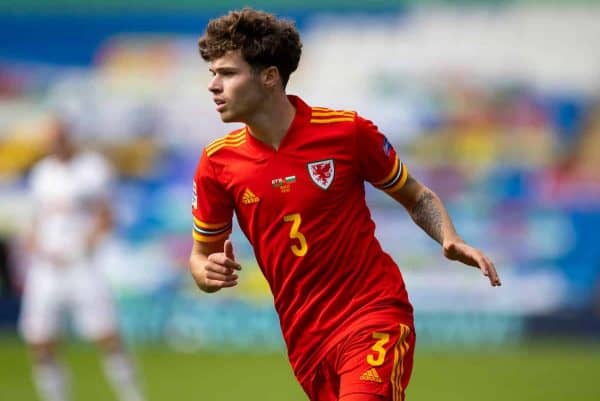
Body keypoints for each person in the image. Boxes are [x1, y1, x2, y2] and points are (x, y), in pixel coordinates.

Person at [189, 8, 501, 401]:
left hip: (374, 314)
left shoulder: (346, 132)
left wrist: (448, 236)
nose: (213, 85)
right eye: (212, 73)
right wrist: (207, 271)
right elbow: (201, 257)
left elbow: (417, 196)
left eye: (227, 73)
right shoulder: (217, 163)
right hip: (306, 341)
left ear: (269, 77)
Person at [19, 117, 145, 401]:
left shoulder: (92, 169)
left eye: (60, 137)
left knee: (106, 335)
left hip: (82, 265)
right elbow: (36, 218)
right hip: (47, 266)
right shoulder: (42, 173)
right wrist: (35, 243)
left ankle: (133, 396)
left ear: (70, 137)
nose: (55, 143)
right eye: (51, 139)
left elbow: (106, 215)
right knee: (39, 340)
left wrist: (83, 245)